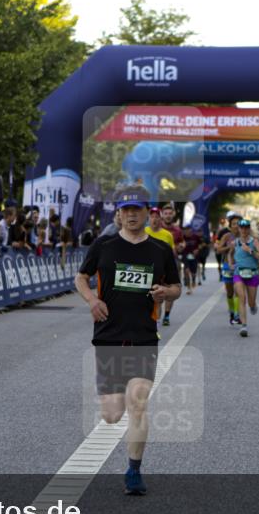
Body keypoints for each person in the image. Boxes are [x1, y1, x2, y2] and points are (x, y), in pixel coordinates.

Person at [74, 186, 181, 496]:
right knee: (111, 414)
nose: (132, 214)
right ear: (118, 213)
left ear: (149, 212)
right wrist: (92, 299)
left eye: (138, 209)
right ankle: (111, 393)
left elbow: (176, 287)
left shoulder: (160, 250)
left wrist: (166, 293)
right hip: (108, 334)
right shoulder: (104, 244)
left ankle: (134, 470)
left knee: (138, 404)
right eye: (126, 209)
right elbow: (81, 277)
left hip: (143, 335)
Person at [228, 218, 259, 338]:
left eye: (246, 228)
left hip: (252, 273)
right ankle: (244, 326)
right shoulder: (235, 242)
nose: (244, 230)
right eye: (241, 228)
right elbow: (230, 253)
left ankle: (253, 305)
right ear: (238, 229)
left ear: (249, 229)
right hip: (239, 273)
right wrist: (230, 264)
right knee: (241, 298)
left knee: (250, 302)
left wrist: (250, 250)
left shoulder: (254, 242)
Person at [144, 207, 176, 326]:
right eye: (152, 216)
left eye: (157, 216)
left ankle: (157, 323)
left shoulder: (167, 235)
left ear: (160, 218)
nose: (154, 219)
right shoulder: (143, 231)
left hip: (162, 271)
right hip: (146, 270)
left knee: (159, 298)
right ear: (149, 218)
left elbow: (171, 253)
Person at [214, 212, 241, 325]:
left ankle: (237, 314)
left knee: (238, 291)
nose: (236, 225)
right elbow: (219, 250)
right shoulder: (227, 236)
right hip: (227, 266)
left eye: (238, 223)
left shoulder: (244, 236)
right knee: (230, 292)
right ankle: (231, 312)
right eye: (234, 223)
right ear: (230, 226)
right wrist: (228, 247)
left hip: (240, 266)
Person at [179, 225, 202, 295]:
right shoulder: (182, 238)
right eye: (185, 231)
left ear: (191, 230)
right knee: (186, 271)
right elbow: (178, 245)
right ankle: (189, 288)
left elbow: (202, 244)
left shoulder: (195, 237)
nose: (187, 232)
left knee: (193, 272)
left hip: (194, 256)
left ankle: (194, 279)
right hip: (185, 256)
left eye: (189, 230)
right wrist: (180, 247)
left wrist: (198, 249)